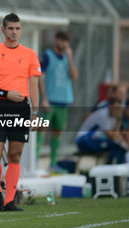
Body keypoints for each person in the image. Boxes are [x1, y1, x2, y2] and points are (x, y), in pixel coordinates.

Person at [0, 13, 41, 211]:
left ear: (20, 30)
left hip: (21, 108)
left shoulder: (30, 54)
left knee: (15, 156)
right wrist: (5, 93)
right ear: (3, 30)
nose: (14, 32)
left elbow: (34, 86)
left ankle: (9, 201)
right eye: (11, 28)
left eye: (17, 28)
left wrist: (35, 113)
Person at [36, 31, 78, 172]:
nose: (63, 43)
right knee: (42, 130)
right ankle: (35, 160)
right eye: (61, 40)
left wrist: (70, 58)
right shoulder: (47, 56)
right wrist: (44, 99)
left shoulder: (67, 58)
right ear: (55, 40)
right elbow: (41, 77)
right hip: (50, 101)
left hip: (63, 101)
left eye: (66, 40)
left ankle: (53, 163)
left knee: (58, 132)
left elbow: (74, 76)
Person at [75, 98, 127, 164]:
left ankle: (116, 167)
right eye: (115, 108)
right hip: (83, 140)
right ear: (110, 106)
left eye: (119, 109)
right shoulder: (103, 115)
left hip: (95, 140)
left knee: (121, 147)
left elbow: (117, 136)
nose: (117, 111)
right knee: (116, 145)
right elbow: (113, 137)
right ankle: (110, 168)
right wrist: (119, 121)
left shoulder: (115, 118)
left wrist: (125, 144)